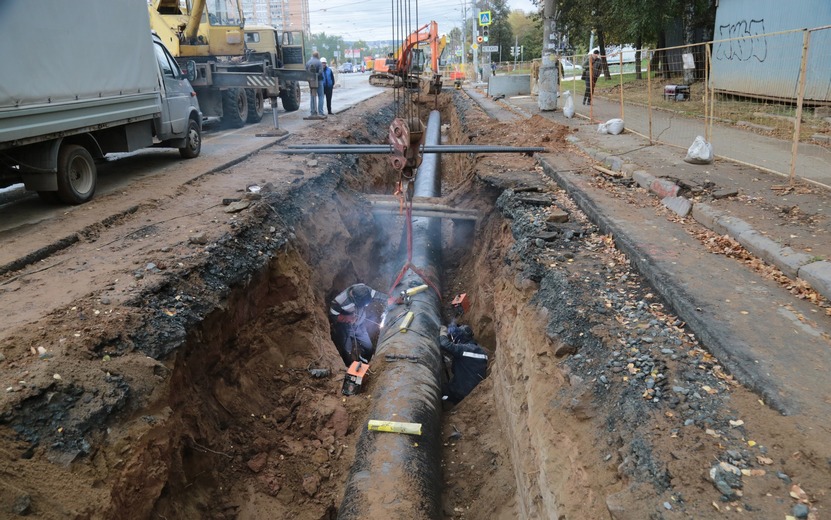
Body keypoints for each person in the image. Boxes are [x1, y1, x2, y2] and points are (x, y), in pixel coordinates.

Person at [329, 283, 385, 367]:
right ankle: (349, 367)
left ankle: (363, 363)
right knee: (347, 352)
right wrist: (346, 317)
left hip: (360, 325)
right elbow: (333, 315)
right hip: (346, 328)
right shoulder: (340, 301)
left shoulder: (366, 291)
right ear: (354, 299)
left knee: (368, 348)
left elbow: (382, 296)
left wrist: (394, 300)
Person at [439, 322, 488, 406]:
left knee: (439, 393)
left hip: (461, 392)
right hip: (474, 390)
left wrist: (443, 333)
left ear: (460, 337)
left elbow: (444, 344)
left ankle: (447, 404)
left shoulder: (464, 349)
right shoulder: (481, 351)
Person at [305, 51, 325, 118]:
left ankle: (312, 111)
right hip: (319, 81)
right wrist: (316, 76)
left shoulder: (308, 62)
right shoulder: (319, 62)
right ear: (318, 55)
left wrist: (310, 78)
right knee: (321, 96)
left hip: (311, 81)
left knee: (312, 96)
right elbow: (321, 72)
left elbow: (306, 72)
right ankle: (321, 112)